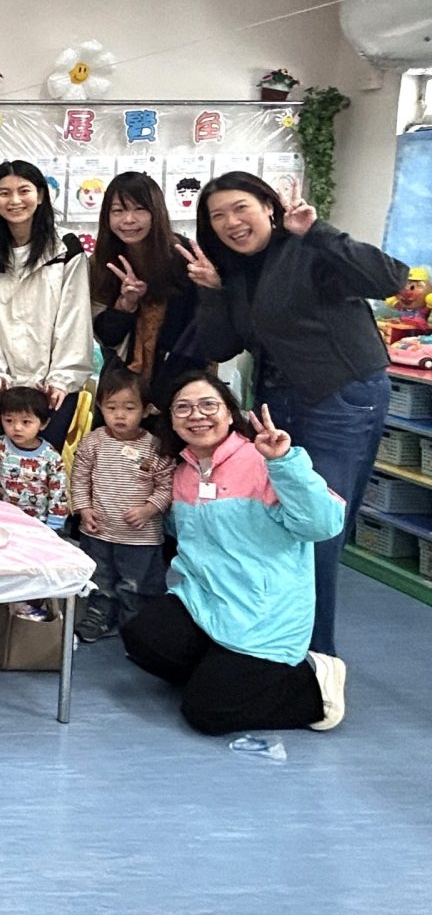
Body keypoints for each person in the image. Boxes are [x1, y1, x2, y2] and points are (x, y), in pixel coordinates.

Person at [181, 172, 406, 657]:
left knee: (317, 528)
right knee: (276, 523)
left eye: (240, 208)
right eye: (217, 216)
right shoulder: (238, 271)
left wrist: (318, 231)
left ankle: (314, 660)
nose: (230, 222)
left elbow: (391, 278)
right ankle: (276, 646)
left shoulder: (309, 248)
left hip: (338, 398)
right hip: (278, 404)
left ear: (269, 206)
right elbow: (221, 346)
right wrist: (213, 292)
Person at [121, 371, 347, 735]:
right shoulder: (183, 472)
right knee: (144, 638)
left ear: (230, 413)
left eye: (208, 405)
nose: (197, 415)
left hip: (263, 614)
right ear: (171, 421)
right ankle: (220, 673)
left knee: (207, 713)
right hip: (205, 602)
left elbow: (322, 525)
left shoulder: (264, 461)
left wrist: (283, 462)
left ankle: (314, 685)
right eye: (183, 408)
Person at [0, 160, 92, 451]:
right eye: (4, 193)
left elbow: (74, 317)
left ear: (40, 195)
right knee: (3, 465)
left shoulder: (65, 248)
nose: (14, 200)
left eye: (23, 191)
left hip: (53, 389)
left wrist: (62, 378)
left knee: (45, 466)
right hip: (2, 389)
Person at [69, 369, 174, 643]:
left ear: (146, 410)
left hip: (140, 538)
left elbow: (166, 487)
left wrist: (148, 509)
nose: (120, 415)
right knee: (100, 578)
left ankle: (134, 624)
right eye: (111, 407)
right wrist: (84, 509)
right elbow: (79, 477)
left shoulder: (155, 447)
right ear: (100, 407)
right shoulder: (94, 441)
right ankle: (99, 616)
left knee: (136, 584)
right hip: (98, 531)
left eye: (129, 408)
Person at [90, 172, 203, 416]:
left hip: (181, 380)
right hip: (122, 388)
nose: (128, 220)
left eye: (139, 209)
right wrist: (125, 305)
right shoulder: (102, 263)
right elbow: (105, 337)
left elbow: (197, 331)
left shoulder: (184, 258)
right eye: (118, 211)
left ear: (156, 212)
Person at [0, 386, 70, 526]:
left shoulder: (51, 457)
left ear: (43, 424)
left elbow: (58, 492)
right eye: (9, 420)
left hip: (35, 523)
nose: (17, 427)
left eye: (26, 422)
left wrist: (54, 523)